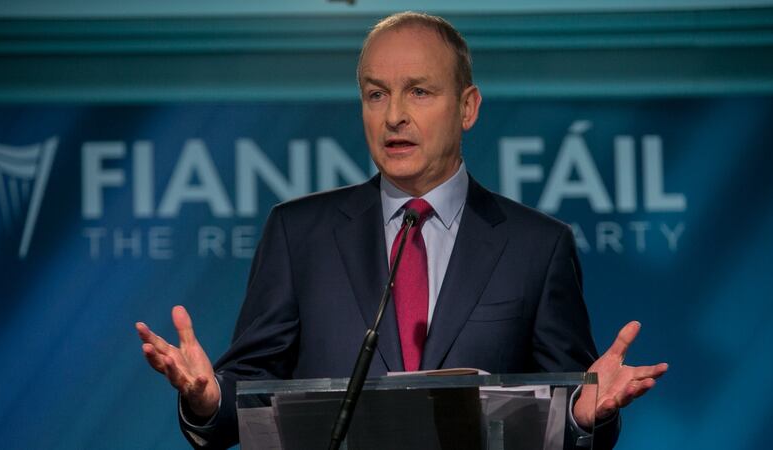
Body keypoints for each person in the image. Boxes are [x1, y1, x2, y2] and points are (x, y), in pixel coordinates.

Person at [136, 11, 668, 450]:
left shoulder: (537, 246)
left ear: (467, 108)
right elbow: (243, 402)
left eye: (418, 92)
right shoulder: (300, 235)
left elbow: (573, 412)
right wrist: (206, 400)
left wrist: (584, 416)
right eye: (375, 94)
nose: (393, 116)